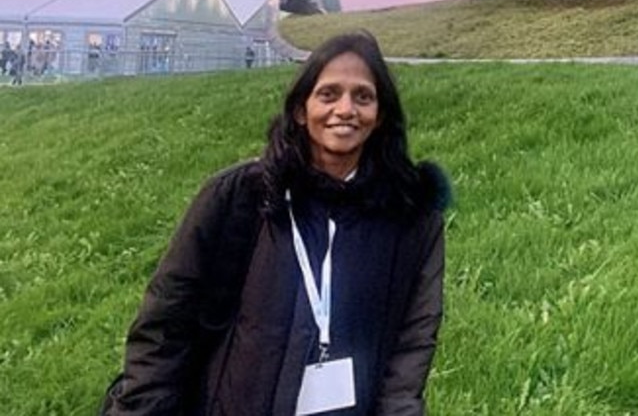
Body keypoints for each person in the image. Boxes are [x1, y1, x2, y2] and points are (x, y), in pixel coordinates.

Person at [103, 31, 450, 414]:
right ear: (301, 110)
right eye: (329, 94)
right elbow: (166, 325)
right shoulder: (239, 197)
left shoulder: (410, 216)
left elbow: (412, 344)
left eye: (363, 96)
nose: (346, 109)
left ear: (380, 115)